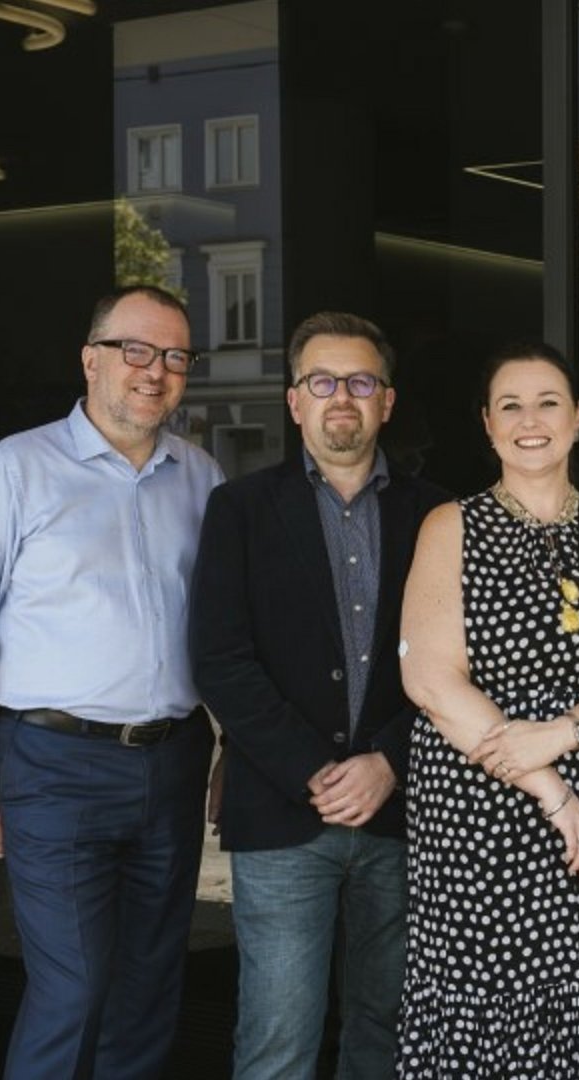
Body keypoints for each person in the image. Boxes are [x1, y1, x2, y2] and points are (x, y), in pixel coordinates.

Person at [0, 285, 225, 1078]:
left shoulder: (202, 478)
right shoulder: (16, 470)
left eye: (173, 357)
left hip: (173, 762)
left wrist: (230, 750)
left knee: (148, 987)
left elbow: (226, 632)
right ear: (91, 359)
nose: (153, 372)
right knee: (74, 987)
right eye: (135, 350)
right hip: (54, 769)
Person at [395, 342, 579, 1077]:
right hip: (484, 816)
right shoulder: (450, 528)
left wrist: (562, 734)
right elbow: (429, 679)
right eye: (511, 405)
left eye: (548, 402)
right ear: (487, 425)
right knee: (490, 1010)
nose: (531, 421)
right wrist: (550, 788)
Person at [190, 312, 449, 1078]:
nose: (344, 397)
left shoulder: (440, 515)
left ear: (387, 402)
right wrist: (316, 770)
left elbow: (461, 662)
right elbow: (220, 660)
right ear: (294, 400)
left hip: (405, 813)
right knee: (277, 1039)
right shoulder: (237, 510)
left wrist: (388, 762)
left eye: (362, 382)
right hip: (281, 815)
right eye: (324, 381)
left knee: (389, 1029)